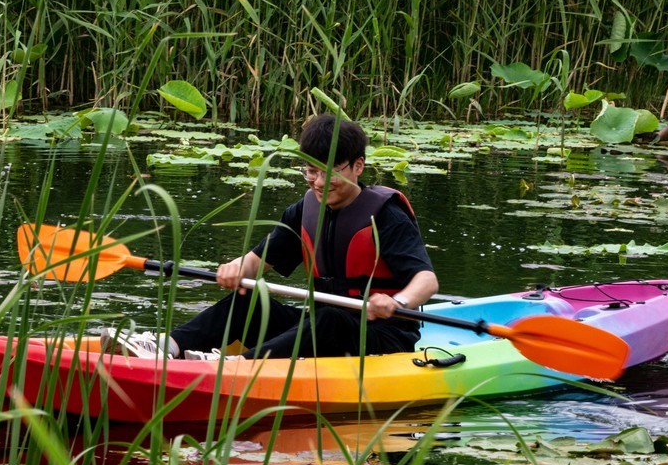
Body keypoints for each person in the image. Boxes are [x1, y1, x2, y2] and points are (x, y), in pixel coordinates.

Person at [109, 114, 439, 360]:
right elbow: (257, 262)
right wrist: (235, 269)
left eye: (331, 171)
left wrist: (397, 302)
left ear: (358, 166)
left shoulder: (385, 215)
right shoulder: (303, 211)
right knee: (248, 301)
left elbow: (426, 281)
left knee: (332, 319)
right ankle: (167, 347)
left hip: (383, 335)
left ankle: (240, 367)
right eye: (311, 170)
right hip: (321, 328)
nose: (319, 182)